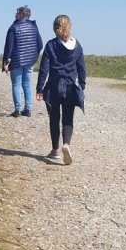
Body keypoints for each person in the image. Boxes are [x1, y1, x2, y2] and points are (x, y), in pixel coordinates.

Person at [36, 14, 86, 165]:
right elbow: (82, 68)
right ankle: (67, 144)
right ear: (69, 27)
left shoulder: (51, 45)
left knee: (54, 118)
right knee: (68, 118)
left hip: (53, 87)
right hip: (71, 87)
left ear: (54, 28)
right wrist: (82, 86)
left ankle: (55, 150)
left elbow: (44, 69)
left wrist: (40, 88)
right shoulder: (77, 46)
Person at [3, 5, 42, 117]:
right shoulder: (34, 26)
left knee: (16, 84)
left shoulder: (13, 27)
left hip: (16, 61)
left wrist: (6, 62)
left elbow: (9, 47)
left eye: (17, 12)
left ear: (21, 14)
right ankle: (28, 109)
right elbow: (40, 44)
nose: (15, 14)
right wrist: (34, 55)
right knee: (27, 84)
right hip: (30, 61)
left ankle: (17, 110)